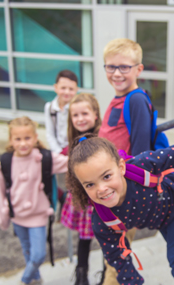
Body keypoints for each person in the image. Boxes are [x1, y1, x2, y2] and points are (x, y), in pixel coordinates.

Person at [66, 123, 174, 285]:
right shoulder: (102, 220)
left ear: (121, 167)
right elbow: (119, 261)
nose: (101, 189)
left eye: (106, 176)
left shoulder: (141, 166)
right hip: (158, 219)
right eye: (90, 185)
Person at [97, 38, 152, 284]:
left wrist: (131, 197)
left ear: (138, 69)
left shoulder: (136, 99)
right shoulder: (117, 98)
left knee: (116, 258)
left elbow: (141, 152)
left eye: (124, 67)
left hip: (122, 192)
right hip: (108, 189)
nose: (116, 73)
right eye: (110, 67)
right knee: (112, 252)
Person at [0, 116, 68, 285]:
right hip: (17, 216)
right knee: (27, 250)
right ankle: (35, 279)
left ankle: (25, 280)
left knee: (38, 255)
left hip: (38, 216)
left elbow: (70, 164)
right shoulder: (5, 162)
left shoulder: (45, 158)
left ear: (35, 138)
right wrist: (3, 217)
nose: (23, 143)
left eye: (27, 138)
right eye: (17, 139)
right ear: (11, 140)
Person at [60, 93, 102, 285]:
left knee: (106, 239)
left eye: (84, 113)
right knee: (84, 240)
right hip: (83, 199)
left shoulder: (102, 137)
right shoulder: (74, 140)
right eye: (75, 116)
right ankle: (81, 275)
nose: (80, 119)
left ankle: (107, 276)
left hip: (101, 198)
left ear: (95, 114)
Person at [44, 69, 79, 217]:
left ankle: (74, 203)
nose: (67, 92)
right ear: (56, 87)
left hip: (74, 148)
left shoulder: (77, 107)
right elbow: (49, 133)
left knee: (74, 179)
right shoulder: (50, 108)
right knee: (42, 170)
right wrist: (57, 151)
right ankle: (60, 196)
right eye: (63, 88)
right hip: (58, 149)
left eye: (71, 89)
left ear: (76, 90)